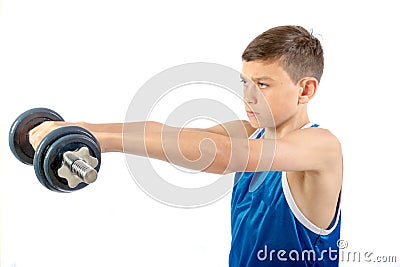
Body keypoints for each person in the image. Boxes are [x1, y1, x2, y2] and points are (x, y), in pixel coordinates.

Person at [29, 25, 342, 266]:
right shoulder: (251, 131)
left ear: (305, 90)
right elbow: (169, 136)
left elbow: (220, 155)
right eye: (245, 83)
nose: (248, 97)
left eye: (262, 85)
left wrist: (101, 140)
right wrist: (81, 130)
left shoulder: (320, 147)